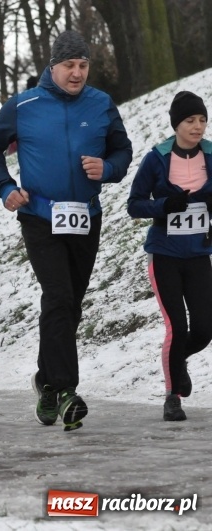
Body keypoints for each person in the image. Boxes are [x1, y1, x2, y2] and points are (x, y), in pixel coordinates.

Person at [0, 30, 133, 431]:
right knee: (60, 296)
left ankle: (44, 383)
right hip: (40, 216)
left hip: (86, 216)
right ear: (53, 66)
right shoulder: (25, 104)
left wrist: (109, 169)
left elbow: (122, 150)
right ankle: (65, 391)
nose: (77, 72)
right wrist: (5, 187)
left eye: (83, 65)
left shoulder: (101, 104)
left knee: (68, 304)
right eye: (69, 65)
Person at [127, 91, 212, 422]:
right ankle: (173, 396)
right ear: (176, 124)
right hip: (164, 254)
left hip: (198, 254)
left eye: (202, 120)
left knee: (205, 328)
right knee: (176, 326)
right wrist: (163, 206)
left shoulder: (210, 154)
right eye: (190, 120)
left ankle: (177, 360)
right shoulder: (157, 158)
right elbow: (134, 204)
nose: (197, 126)